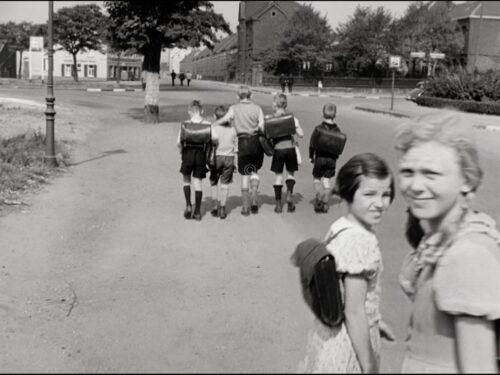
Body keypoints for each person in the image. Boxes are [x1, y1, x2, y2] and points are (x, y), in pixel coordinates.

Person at [395, 111, 500, 373]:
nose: (415, 186)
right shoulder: (440, 239)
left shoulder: (467, 254)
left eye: (431, 174)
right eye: (408, 172)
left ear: (466, 180)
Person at [298, 152, 396, 373]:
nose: (380, 203)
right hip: (348, 348)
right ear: (348, 193)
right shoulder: (361, 240)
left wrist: (375, 320)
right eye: (369, 194)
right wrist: (370, 366)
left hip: (327, 339)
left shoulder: (341, 227)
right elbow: (354, 311)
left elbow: (343, 293)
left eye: (386, 194)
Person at [212, 85, 265, 216]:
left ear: (237, 96)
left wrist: (213, 125)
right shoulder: (257, 108)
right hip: (255, 143)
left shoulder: (233, 108)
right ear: (251, 95)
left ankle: (245, 208)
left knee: (244, 174)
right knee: (253, 171)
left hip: (242, 143)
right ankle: (254, 202)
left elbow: (225, 119)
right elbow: (261, 126)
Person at [266, 93, 304, 213]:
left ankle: (278, 204)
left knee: (278, 176)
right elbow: (301, 134)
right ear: (285, 105)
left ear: (274, 105)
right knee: (290, 174)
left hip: (278, 150)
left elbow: (262, 130)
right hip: (290, 149)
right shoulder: (292, 119)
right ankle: (289, 196)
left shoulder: (270, 119)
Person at [176, 100, 214, 221]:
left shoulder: (185, 124)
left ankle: (188, 205)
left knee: (186, 180)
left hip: (187, 154)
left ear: (189, 111)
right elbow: (215, 139)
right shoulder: (208, 124)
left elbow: (178, 142)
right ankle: (197, 211)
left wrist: (181, 151)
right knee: (198, 183)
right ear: (201, 110)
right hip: (200, 155)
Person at [309, 102, 346, 213]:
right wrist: (336, 157)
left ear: (322, 113)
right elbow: (339, 148)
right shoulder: (338, 131)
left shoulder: (318, 129)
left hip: (319, 158)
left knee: (317, 178)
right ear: (335, 115)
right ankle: (325, 202)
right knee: (326, 181)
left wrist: (311, 156)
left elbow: (312, 144)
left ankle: (318, 197)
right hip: (332, 160)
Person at [209, 105, 238, 219]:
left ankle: (214, 206)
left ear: (215, 116)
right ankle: (223, 208)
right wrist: (235, 163)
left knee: (213, 182)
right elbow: (236, 149)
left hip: (216, 158)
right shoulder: (233, 130)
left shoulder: (214, 129)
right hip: (229, 158)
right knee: (225, 184)